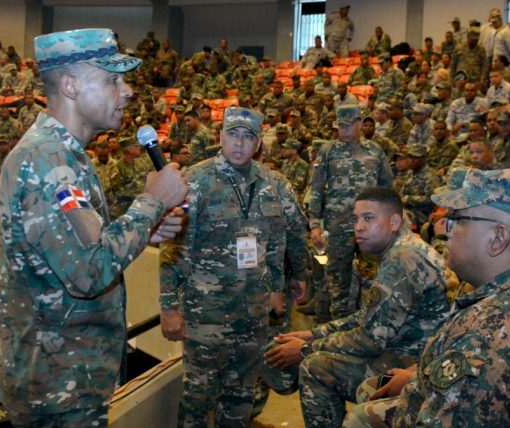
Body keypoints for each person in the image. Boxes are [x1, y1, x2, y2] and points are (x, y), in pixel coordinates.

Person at [0, 28, 188, 427]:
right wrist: (150, 202)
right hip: (55, 387)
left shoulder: (65, 155)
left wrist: (145, 228)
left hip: (70, 379)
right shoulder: (46, 161)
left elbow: (83, 246)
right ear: (70, 86)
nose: (128, 90)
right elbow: (87, 273)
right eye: (112, 79)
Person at [346, 168, 510, 426]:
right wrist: (418, 375)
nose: (446, 231)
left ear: (498, 238)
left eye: (457, 220)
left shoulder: (492, 340)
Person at [160, 106, 308, 427]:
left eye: (248, 137)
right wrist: (169, 307)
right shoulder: (195, 182)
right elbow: (172, 249)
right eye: (232, 134)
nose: (239, 144)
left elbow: (282, 239)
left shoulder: (274, 184)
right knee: (199, 399)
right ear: (221, 137)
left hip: (253, 314)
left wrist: (284, 285)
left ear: (258, 144)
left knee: (241, 397)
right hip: (206, 315)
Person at [262, 187, 450, 428]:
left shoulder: (401, 259)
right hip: (413, 352)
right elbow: (366, 318)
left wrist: (306, 349)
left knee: (315, 367)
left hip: (415, 362)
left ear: (394, 222)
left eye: (368, 218)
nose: (358, 226)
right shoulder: (404, 248)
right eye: (356, 219)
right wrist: (313, 333)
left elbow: (369, 340)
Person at [308, 104, 394, 319]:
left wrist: (391, 221)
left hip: (372, 227)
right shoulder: (328, 152)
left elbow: (388, 187)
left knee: (373, 280)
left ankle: (368, 325)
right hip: (338, 226)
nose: (342, 131)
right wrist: (315, 224)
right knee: (338, 281)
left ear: (359, 123)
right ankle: (338, 328)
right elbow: (316, 188)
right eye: (340, 126)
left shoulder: (375, 150)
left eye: (348, 126)